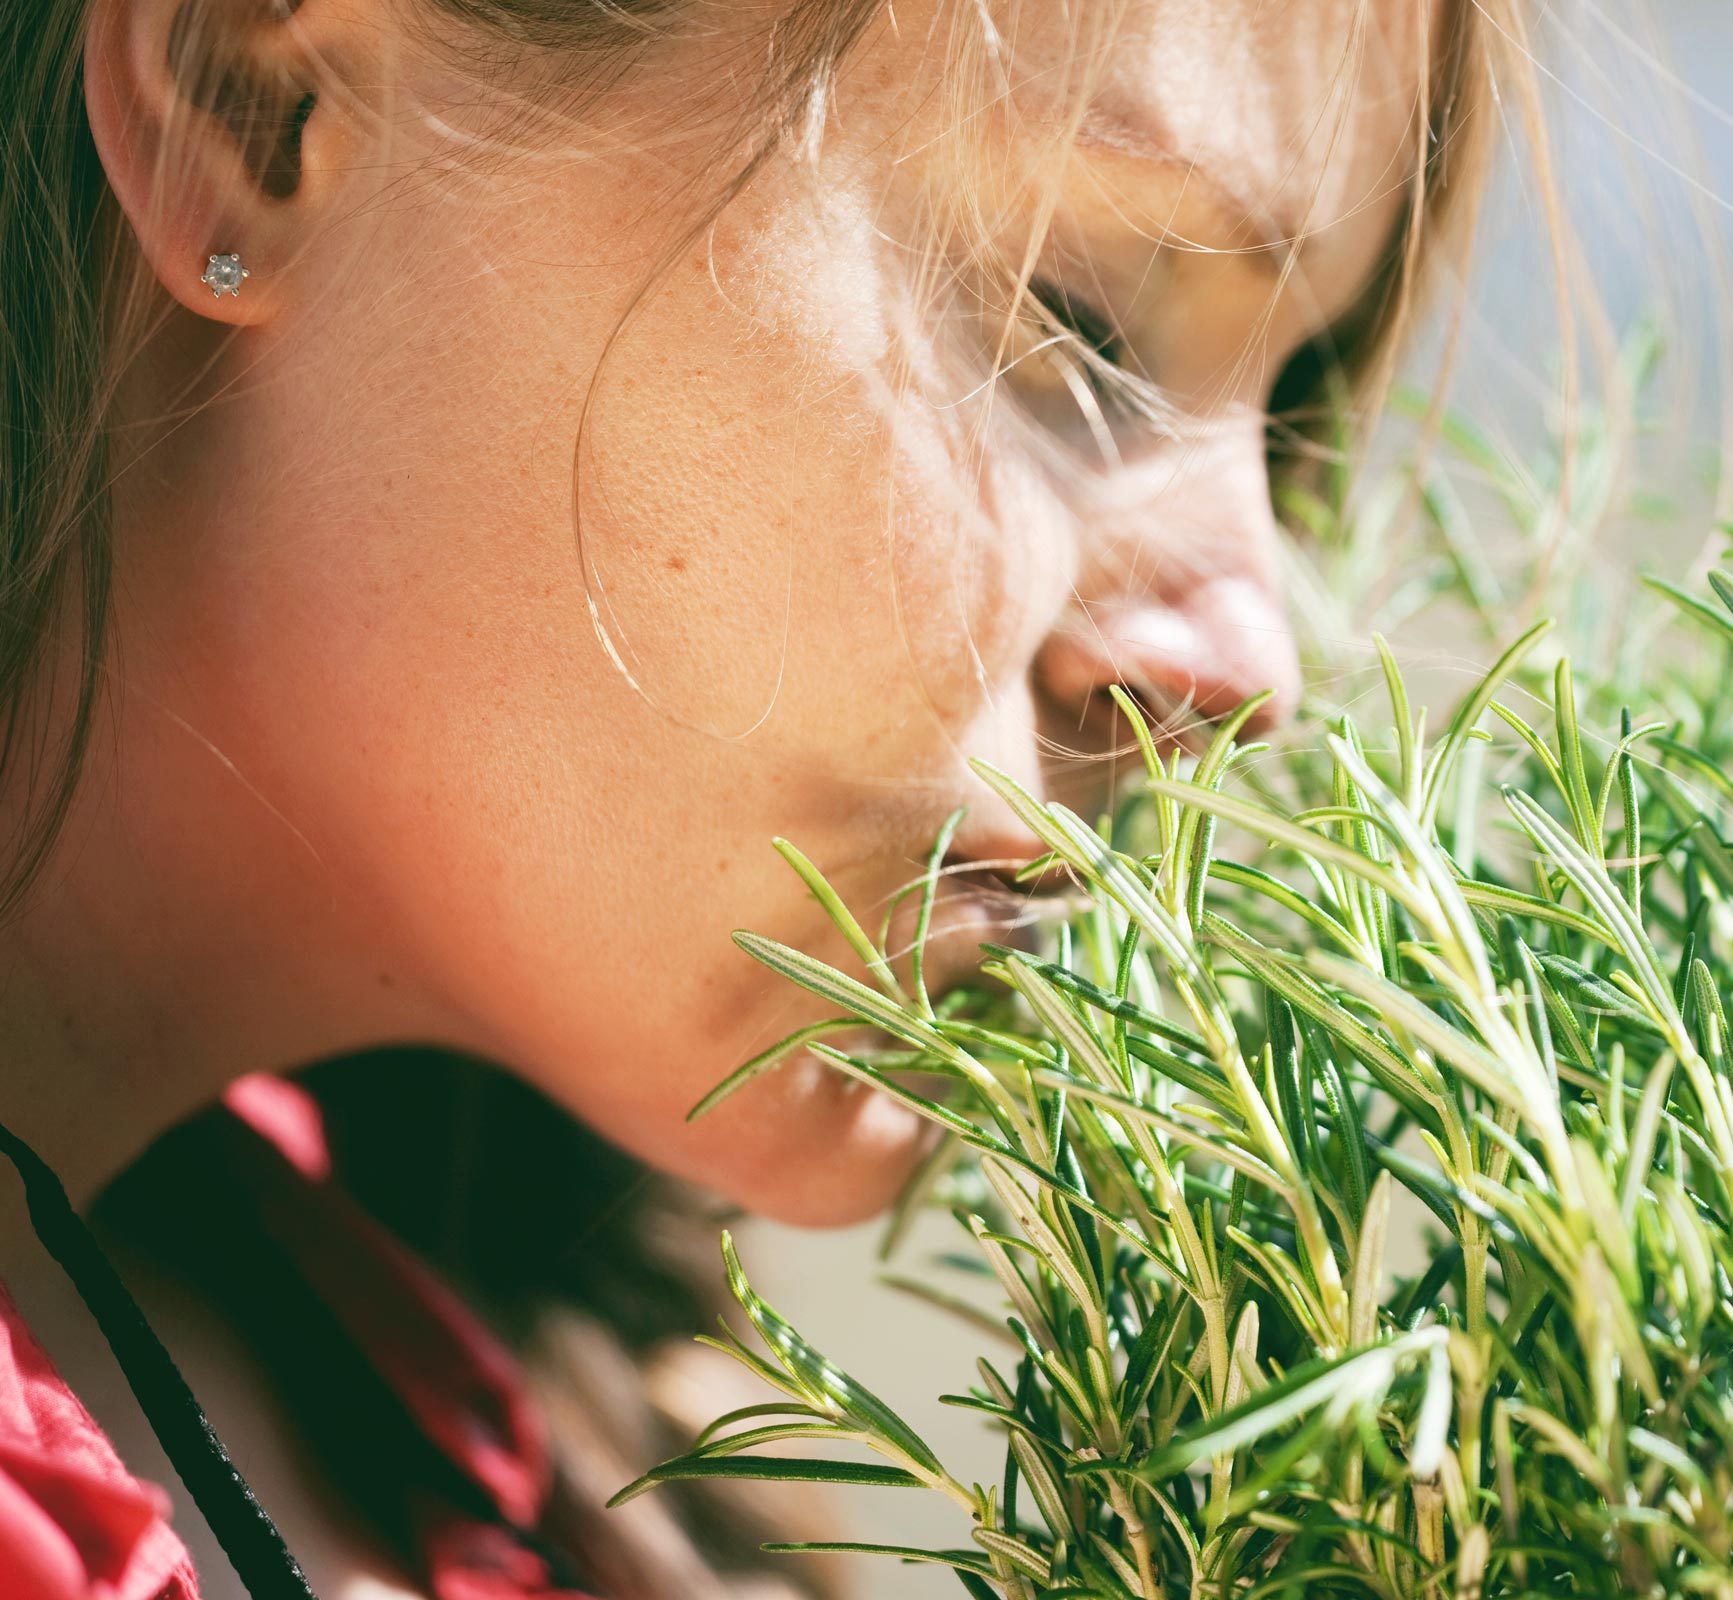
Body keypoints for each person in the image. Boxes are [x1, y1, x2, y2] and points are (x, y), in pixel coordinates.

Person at [0, 0, 1520, 1594]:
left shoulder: (423, 1411)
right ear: (254, 111)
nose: (1249, 660)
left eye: (1282, 427)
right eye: (1078, 325)